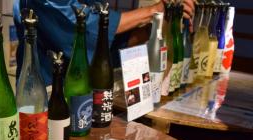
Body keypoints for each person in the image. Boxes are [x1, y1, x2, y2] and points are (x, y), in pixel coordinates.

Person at [13, 0, 195, 86]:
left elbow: (107, 39)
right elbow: (83, 27)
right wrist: (154, 10)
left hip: (86, 90)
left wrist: (154, 28)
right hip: (48, 93)